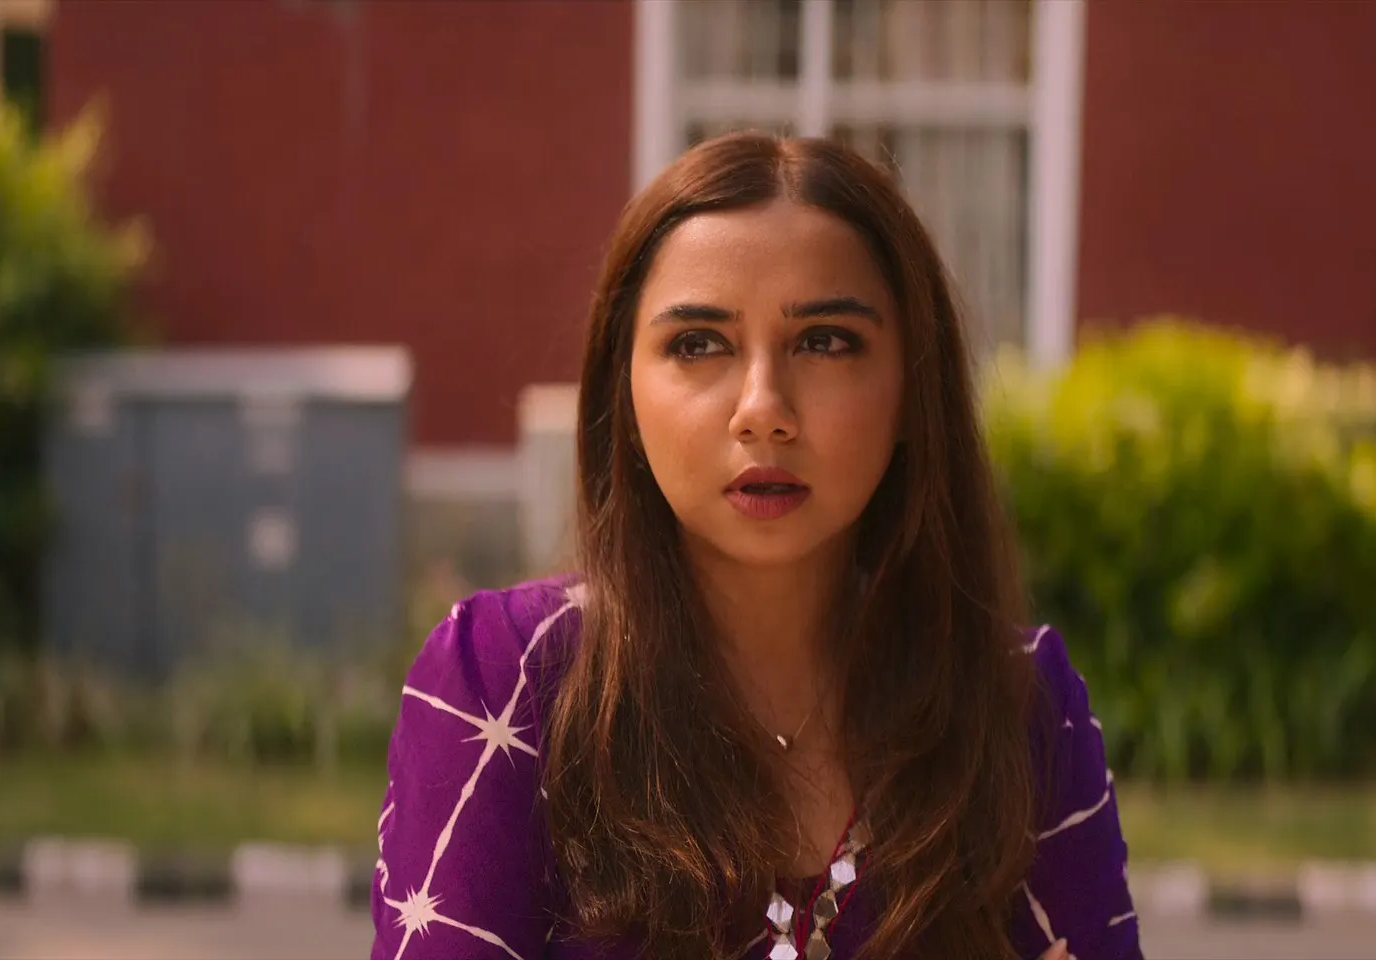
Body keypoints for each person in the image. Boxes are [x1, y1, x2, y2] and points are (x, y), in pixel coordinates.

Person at [370, 133, 1141, 960]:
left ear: (914, 389)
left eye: (825, 341)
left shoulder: (1019, 706)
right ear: (624, 393)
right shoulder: (509, 683)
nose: (763, 409)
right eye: (699, 344)